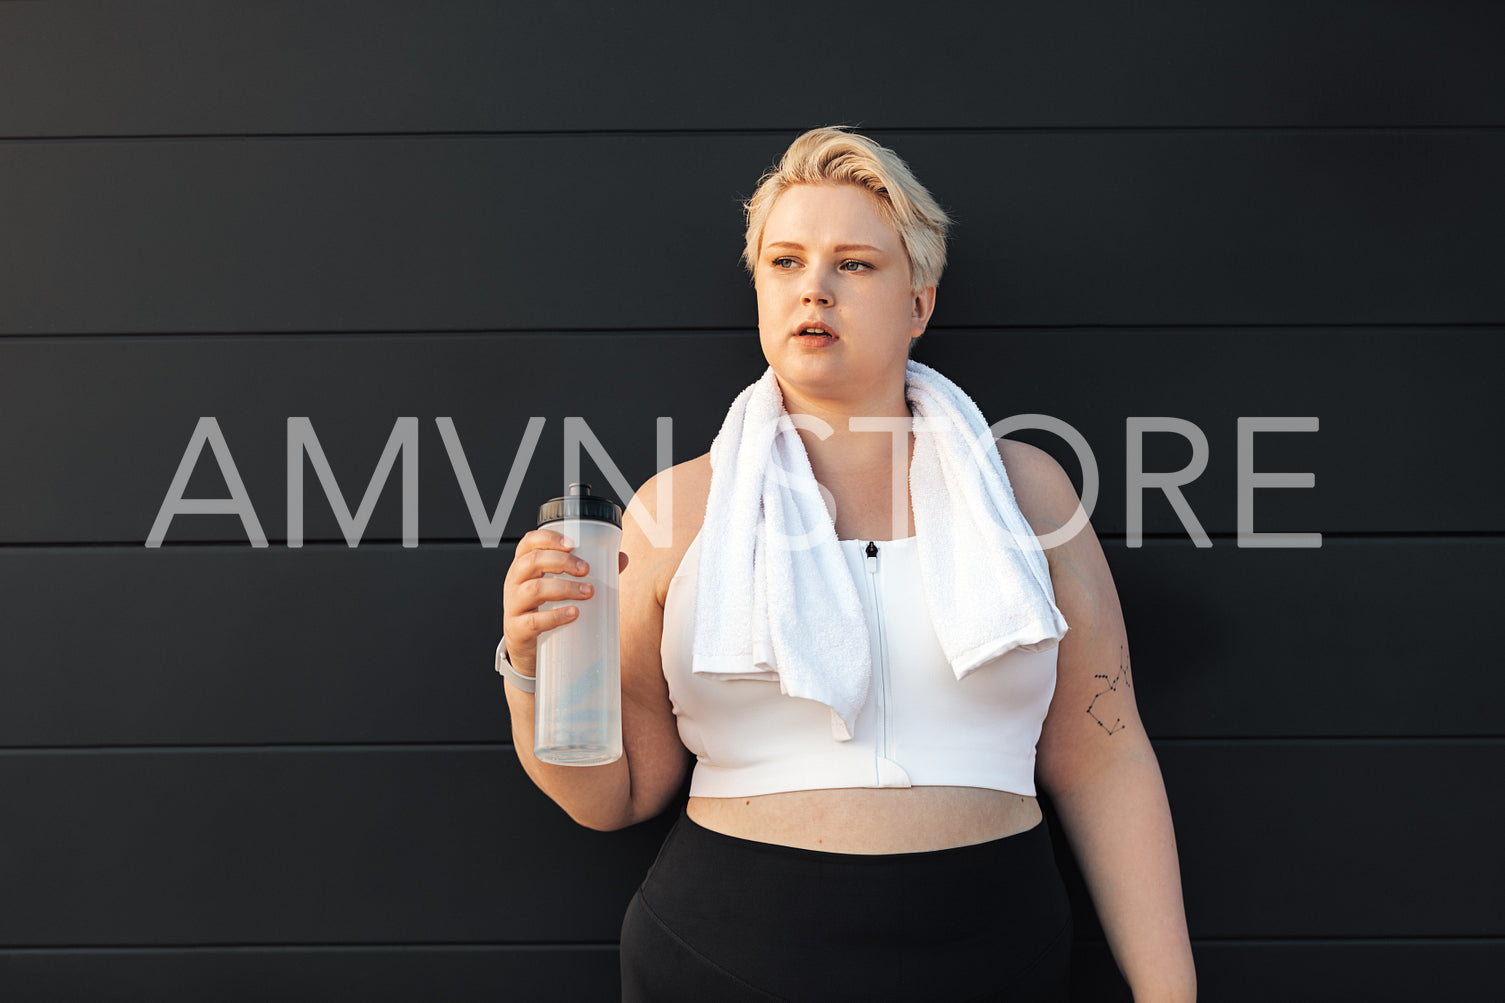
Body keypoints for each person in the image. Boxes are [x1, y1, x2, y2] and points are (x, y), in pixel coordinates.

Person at [498, 126, 1196, 1002]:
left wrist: (1169, 991)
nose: (813, 289)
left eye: (853, 264)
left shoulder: (1029, 492)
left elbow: (1103, 754)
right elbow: (613, 795)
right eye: (784, 261)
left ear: (918, 303)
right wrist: (531, 667)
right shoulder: (674, 509)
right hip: (723, 960)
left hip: (993, 958)